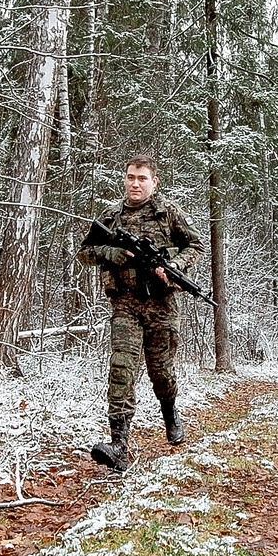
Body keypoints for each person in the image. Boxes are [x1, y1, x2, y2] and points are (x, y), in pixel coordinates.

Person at [77, 154, 204, 470]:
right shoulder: (111, 216)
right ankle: (119, 445)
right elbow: (85, 253)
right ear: (125, 179)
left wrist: (174, 265)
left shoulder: (167, 213)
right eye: (131, 177)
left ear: (153, 182)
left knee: (161, 373)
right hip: (125, 306)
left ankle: (171, 413)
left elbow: (196, 246)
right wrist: (114, 253)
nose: (135, 183)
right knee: (121, 369)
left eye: (142, 178)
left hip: (162, 307)